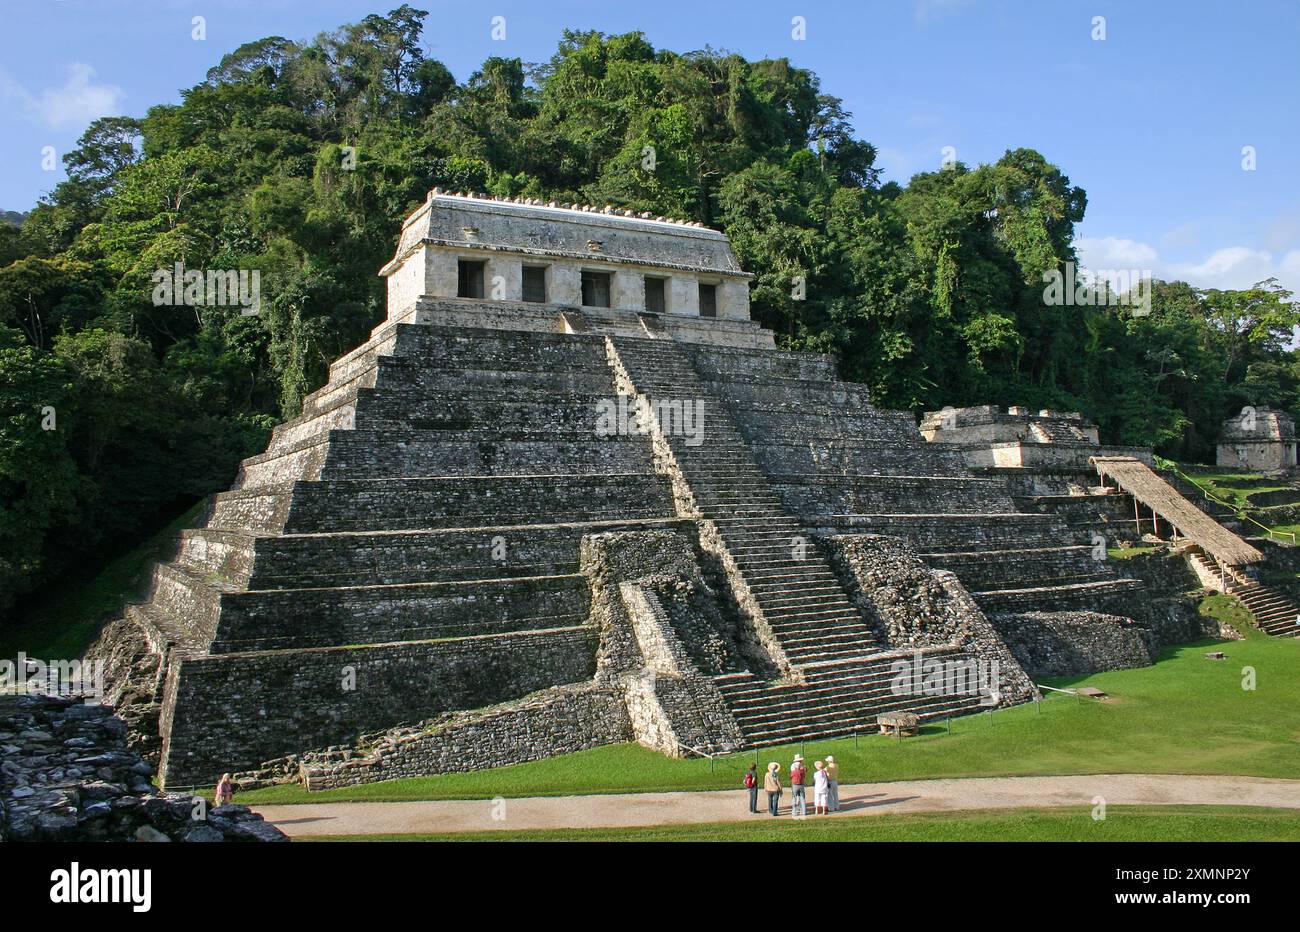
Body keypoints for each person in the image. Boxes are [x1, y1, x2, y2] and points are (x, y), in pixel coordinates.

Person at [789, 754, 807, 818]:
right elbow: (804, 774)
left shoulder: (793, 767)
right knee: (802, 798)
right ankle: (804, 811)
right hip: (801, 784)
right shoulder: (802, 768)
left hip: (795, 785)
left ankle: (794, 812)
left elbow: (791, 776)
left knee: (794, 798)